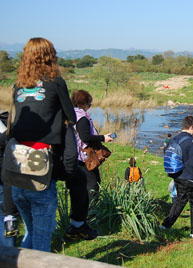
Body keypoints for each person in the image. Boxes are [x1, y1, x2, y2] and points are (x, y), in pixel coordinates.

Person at [8, 38, 76, 251]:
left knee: (31, 231)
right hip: (41, 166)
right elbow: (71, 116)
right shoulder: (56, 82)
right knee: (41, 240)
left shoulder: (18, 85)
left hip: (16, 165)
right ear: (50, 56)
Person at [161, 116, 193, 238]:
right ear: (192, 127)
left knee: (179, 201)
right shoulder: (191, 141)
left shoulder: (175, 138)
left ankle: (166, 225)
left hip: (178, 176)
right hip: (191, 178)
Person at [71, 90, 114, 207]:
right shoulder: (82, 118)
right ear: (83, 103)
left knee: (81, 184)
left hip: (75, 154)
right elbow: (84, 137)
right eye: (89, 104)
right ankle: (91, 213)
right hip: (84, 157)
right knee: (93, 184)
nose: (90, 106)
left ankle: (81, 210)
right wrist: (102, 138)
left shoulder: (72, 114)